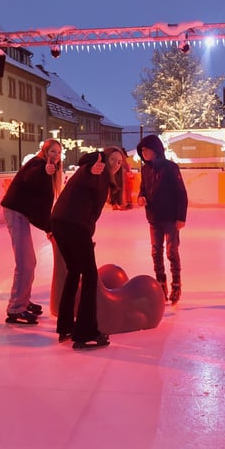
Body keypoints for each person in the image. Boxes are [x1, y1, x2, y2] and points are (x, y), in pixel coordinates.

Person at [50, 146, 125, 350]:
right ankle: (85, 333)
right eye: (113, 159)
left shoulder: (102, 178)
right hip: (73, 224)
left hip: (61, 222)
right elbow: (88, 161)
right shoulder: (95, 167)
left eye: (119, 162)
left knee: (74, 272)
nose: (115, 164)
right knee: (90, 276)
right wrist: (97, 159)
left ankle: (65, 326)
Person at [0, 138, 63, 325]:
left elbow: (42, 206)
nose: (56, 156)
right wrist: (45, 170)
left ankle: (23, 301)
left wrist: (48, 227)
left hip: (21, 213)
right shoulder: (37, 165)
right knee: (25, 263)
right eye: (52, 152)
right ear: (44, 151)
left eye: (58, 153)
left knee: (30, 262)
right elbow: (30, 177)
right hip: (16, 212)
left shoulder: (48, 172)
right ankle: (15, 309)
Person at [136, 134, 188, 305]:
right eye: (141, 150)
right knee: (155, 251)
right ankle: (161, 283)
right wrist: (141, 197)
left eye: (146, 149)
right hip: (153, 218)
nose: (143, 153)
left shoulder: (171, 168)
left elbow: (181, 193)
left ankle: (176, 285)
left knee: (172, 252)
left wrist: (181, 217)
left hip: (171, 218)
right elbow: (142, 189)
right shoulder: (145, 169)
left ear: (155, 150)